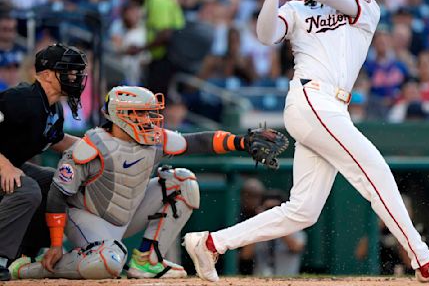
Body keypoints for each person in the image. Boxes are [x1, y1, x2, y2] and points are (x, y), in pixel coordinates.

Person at [183, 0, 429, 283]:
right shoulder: (296, 9)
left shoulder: (365, 6)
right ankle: (423, 260)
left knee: (303, 210)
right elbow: (266, 35)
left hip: (330, 108)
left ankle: (210, 243)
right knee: (375, 171)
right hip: (312, 99)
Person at [10, 85, 284, 280]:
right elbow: (58, 195)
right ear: (121, 116)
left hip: (129, 213)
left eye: (151, 113)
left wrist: (240, 141)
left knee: (183, 182)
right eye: (142, 113)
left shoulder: (155, 139)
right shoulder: (92, 145)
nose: (150, 120)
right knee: (107, 263)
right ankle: (33, 269)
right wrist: (56, 245)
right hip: (89, 218)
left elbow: (196, 141)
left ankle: (147, 260)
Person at [0, 43, 87, 281]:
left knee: (53, 182)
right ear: (47, 75)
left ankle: (23, 252)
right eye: (68, 70)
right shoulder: (21, 99)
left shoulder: (53, 109)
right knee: (26, 188)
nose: (75, 77)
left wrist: (99, 147)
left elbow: (56, 139)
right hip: (3, 165)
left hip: (11, 165)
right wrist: (4, 165)